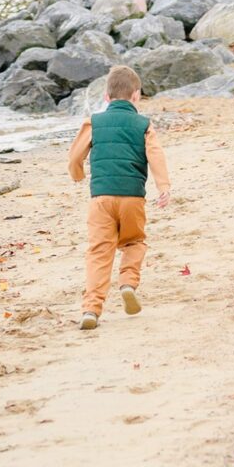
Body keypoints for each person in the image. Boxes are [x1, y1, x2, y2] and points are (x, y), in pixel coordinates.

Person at [67, 64, 171, 330]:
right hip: (133, 198)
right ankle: (127, 282)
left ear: (106, 97)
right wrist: (163, 186)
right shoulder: (143, 124)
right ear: (136, 96)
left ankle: (91, 309)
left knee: (100, 252)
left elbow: (75, 156)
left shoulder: (94, 122)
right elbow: (155, 155)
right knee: (134, 241)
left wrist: (78, 175)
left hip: (101, 198)